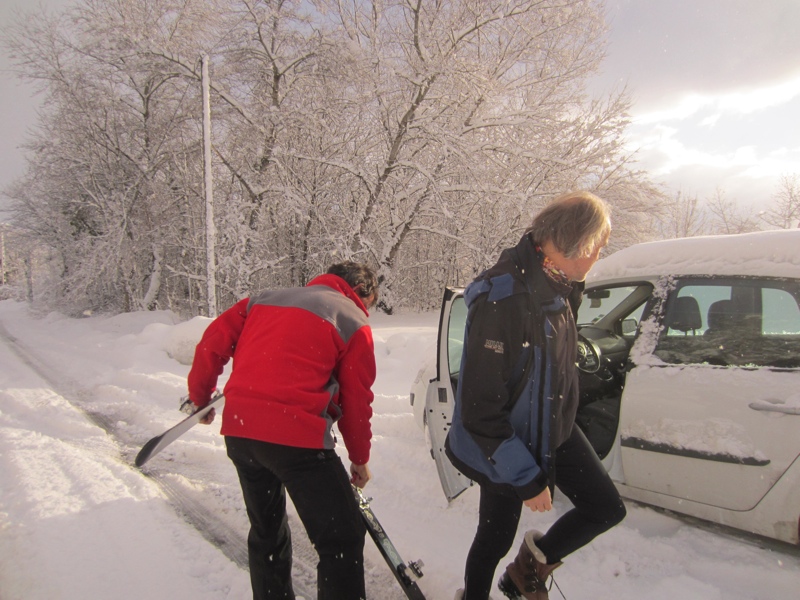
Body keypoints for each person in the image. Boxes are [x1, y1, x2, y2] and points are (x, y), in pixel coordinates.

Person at [445, 191, 627, 600]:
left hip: (554, 430)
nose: (601, 253)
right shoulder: (504, 300)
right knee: (494, 539)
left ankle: (529, 566)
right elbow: (479, 411)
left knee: (605, 508)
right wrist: (527, 480)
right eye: (599, 245)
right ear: (572, 243)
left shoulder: (560, 285)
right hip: (510, 440)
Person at [186, 262, 379, 600]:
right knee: (341, 540)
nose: (366, 311)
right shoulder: (351, 319)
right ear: (361, 291)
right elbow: (356, 400)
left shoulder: (261, 300)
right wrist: (360, 458)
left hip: (241, 434)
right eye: (370, 304)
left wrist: (199, 398)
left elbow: (211, 344)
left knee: (267, 532)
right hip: (297, 440)